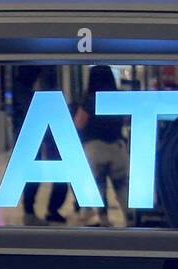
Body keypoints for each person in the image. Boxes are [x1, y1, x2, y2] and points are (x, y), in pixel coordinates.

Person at [72, 65, 129, 226]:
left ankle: (104, 221)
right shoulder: (119, 98)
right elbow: (126, 119)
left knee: (99, 187)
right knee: (122, 188)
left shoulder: (90, 99)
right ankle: (130, 219)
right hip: (117, 148)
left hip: (95, 148)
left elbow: (79, 124)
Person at [12, 66, 67, 223]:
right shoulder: (24, 92)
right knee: (34, 174)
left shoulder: (22, 90)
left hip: (31, 136)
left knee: (35, 174)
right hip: (31, 136)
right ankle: (30, 212)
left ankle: (32, 211)